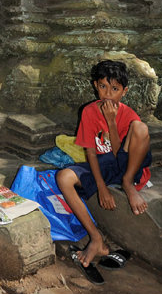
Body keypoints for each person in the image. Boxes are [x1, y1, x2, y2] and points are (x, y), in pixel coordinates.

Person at [56, 59, 151, 269]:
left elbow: (119, 155)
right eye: (103, 87)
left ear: (124, 91)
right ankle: (96, 238)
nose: (108, 94)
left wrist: (111, 122)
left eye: (115, 88)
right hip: (104, 165)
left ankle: (127, 184)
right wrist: (101, 188)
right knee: (63, 177)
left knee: (141, 128)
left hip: (127, 166)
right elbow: (90, 152)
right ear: (95, 86)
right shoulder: (89, 112)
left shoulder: (128, 115)